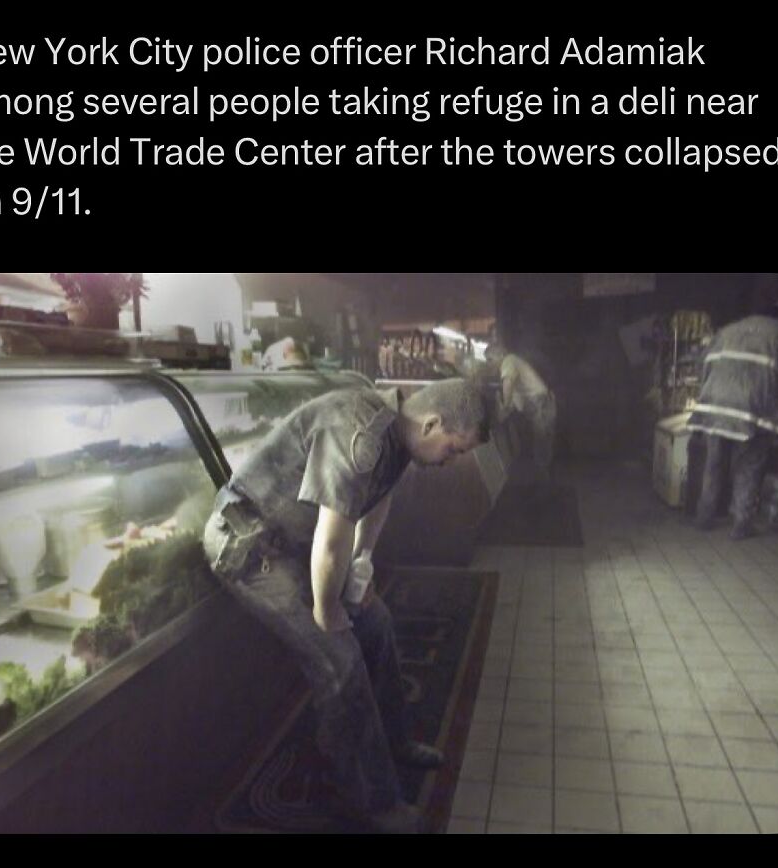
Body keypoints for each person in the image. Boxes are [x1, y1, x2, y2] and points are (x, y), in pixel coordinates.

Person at [203, 378, 494, 833]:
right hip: (251, 547)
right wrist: (328, 608)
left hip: (298, 541)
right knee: (340, 662)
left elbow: (375, 504)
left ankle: (396, 743)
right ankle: (373, 804)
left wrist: (360, 574)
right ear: (433, 423)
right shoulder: (358, 434)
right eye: (454, 449)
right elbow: (331, 540)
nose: (451, 461)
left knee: (376, 622)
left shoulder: (400, 438)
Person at [687, 310, 778, 539]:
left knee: (714, 462)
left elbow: (701, 359)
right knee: (749, 464)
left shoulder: (728, 330)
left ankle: (704, 516)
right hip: (751, 408)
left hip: (715, 405)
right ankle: (741, 523)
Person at [485, 343, 557, 477]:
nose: (489, 364)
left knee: (541, 444)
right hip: (542, 403)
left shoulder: (509, 360)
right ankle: (543, 480)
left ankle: (542, 482)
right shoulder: (514, 365)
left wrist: (504, 406)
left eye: (490, 359)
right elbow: (517, 400)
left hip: (540, 404)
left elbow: (508, 383)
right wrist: (506, 409)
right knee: (542, 445)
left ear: (500, 355)